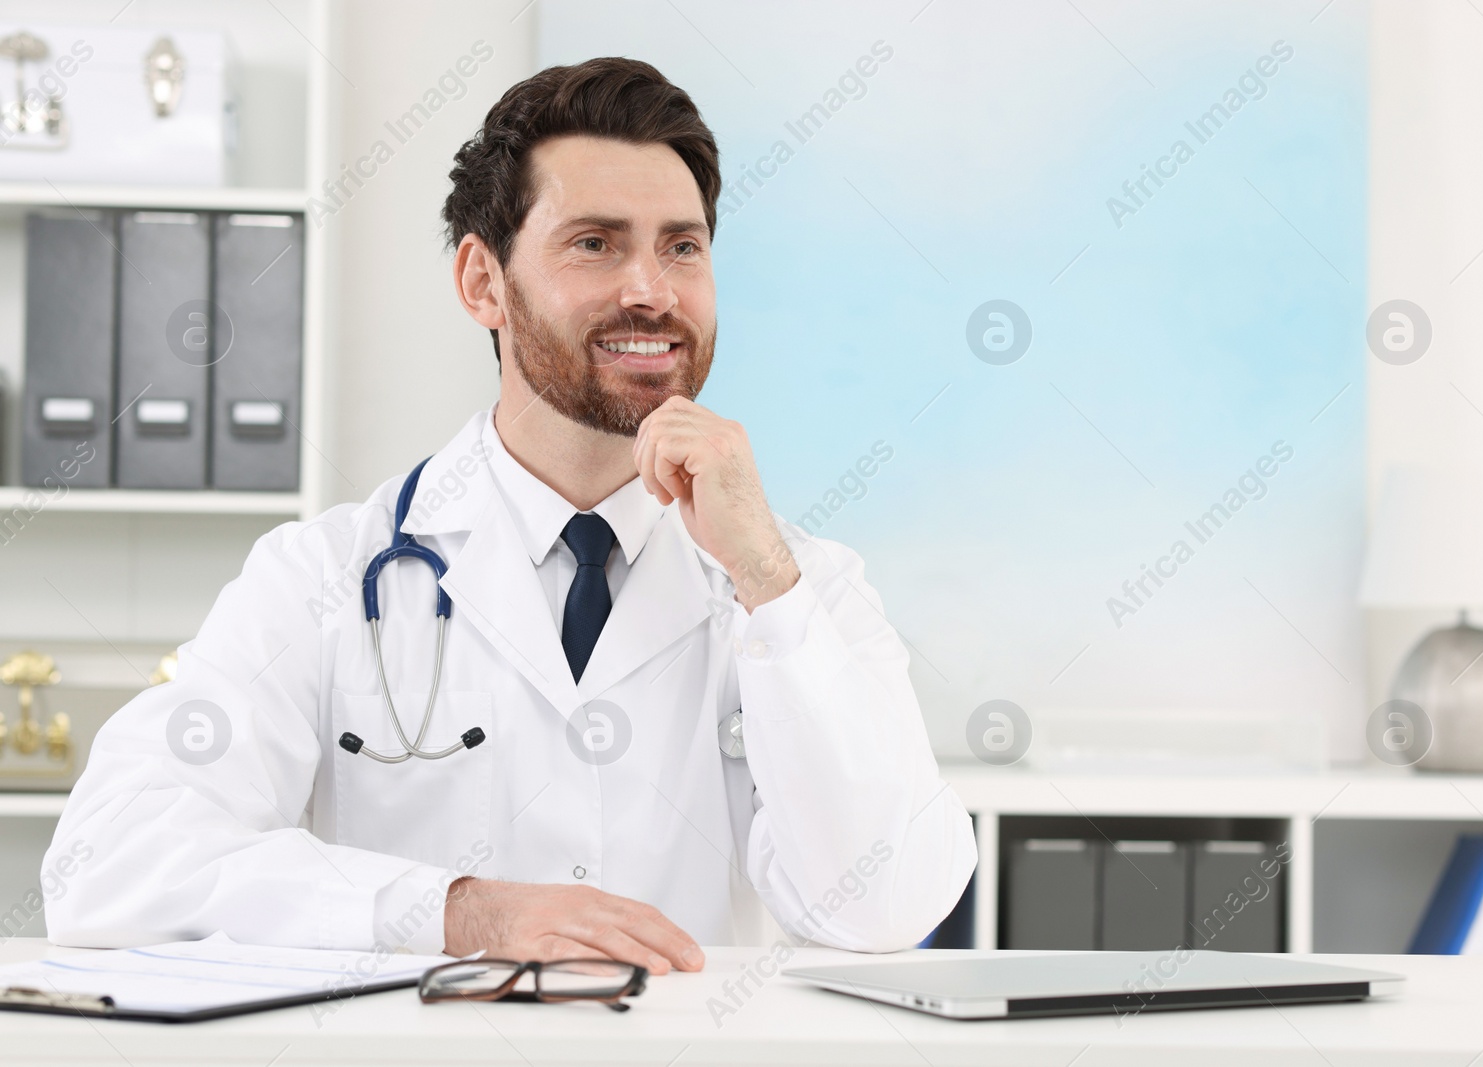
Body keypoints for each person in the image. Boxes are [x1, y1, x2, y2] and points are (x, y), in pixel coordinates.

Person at [43, 57, 975, 975]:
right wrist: (455, 910)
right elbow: (108, 861)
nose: (651, 288)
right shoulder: (323, 578)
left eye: (681, 246)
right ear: (482, 282)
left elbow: (884, 907)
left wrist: (769, 581)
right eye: (596, 243)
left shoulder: (798, 585)